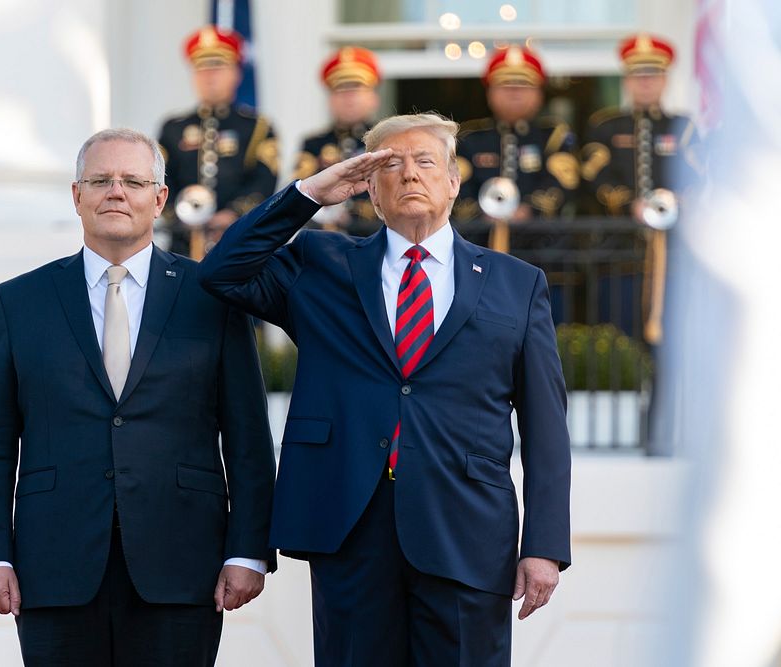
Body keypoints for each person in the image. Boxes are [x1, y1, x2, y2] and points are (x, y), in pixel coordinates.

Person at [199, 113, 571, 666]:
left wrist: (544, 546)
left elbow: (546, 428)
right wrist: (310, 195)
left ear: (453, 181)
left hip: (465, 528)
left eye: (425, 162)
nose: (409, 175)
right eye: (390, 165)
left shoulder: (517, 284)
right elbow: (222, 271)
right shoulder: (321, 264)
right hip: (349, 523)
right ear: (369, 186)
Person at [0, 128, 277, 666]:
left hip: (182, 562)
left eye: (133, 181)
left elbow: (248, 437)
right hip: (53, 566)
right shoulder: (20, 302)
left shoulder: (212, 298)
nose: (116, 192)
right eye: (100, 180)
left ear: (158, 199)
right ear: (76, 195)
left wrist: (249, 549)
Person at [158, 26, 279, 257]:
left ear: (237, 73)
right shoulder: (173, 127)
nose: (209, 75)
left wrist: (233, 214)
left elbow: (264, 180)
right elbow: (160, 178)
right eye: (201, 67)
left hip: (238, 242)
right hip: (181, 244)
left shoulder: (258, 127)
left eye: (218, 66)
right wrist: (180, 215)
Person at [580, 33, 702, 219]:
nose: (645, 82)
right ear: (626, 81)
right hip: (618, 236)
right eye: (637, 74)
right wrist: (629, 204)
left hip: (674, 233)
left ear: (665, 80)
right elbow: (594, 176)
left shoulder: (683, 127)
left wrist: (672, 203)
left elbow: (697, 175)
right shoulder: (604, 126)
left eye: (653, 74)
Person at [455, 46, 579, 223]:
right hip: (479, 241)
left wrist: (528, 210)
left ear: (539, 94)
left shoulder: (554, 136)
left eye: (524, 85)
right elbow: (455, 186)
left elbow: (563, 182)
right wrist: (482, 213)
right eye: (505, 85)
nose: (514, 93)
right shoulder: (468, 137)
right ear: (489, 94)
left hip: (543, 243)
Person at [293, 46, 382, 236]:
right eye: (340, 89)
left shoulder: (386, 141)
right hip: (325, 242)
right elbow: (298, 198)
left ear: (374, 97)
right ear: (330, 99)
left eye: (356, 88)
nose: (349, 97)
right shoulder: (313, 144)